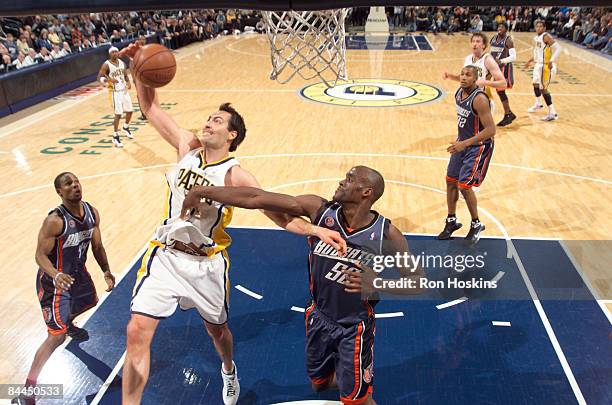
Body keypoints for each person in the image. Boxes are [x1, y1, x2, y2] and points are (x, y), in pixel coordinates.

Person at [117, 42, 346, 405]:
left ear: (232, 136)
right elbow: (149, 106)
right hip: (165, 255)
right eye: (208, 118)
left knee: (218, 331)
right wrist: (137, 66)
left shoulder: (235, 174)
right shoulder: (186, 148)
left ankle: (228, 369)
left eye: (217, 121)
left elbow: (279, 215)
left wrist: (315, 229)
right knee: (136, 331)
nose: (208, 123)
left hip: (207, 264)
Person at [180, 166, 426, 405]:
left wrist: (378, 283)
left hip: (354, 326)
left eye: (350, 179)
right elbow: (258, 197)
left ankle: (357, 385)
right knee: (318, 384)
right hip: (318, 317)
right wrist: (204, 191)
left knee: (357, 401)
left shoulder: (387, 234)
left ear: (366, 192)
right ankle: (351, 378)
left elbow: (418, 283)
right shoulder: (319, 210)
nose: (342, 181)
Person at [12, 172, 115, 405]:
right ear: (60, 192)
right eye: (68, 184)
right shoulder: (55, 221)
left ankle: (66, 323)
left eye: (77, 181)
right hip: (54, 283)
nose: (75, 186)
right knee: (55, 337)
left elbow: (97, 245)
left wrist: (106, 270)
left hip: (77, 275)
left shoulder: (91, 212)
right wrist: (56, 274)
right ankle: (27, 392)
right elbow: (39, 255)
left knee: (91, 302)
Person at [438, 65, 496, 243]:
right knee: (450, 181)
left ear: (475, 79)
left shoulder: (479, 99)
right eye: (462, 74)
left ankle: (476, 224)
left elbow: (491, 130)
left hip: (479, 146)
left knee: (464, 186)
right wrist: (461, 142)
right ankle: (451, 221)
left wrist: (465, 143)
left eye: (468, 75)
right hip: (462, 143)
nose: (463, 78)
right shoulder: (458, 93)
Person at [443, 33, 507, 115]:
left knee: (484, 127)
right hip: (467, 100)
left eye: (478, 41)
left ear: (483, 45)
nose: (475, 44)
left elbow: (503, 84)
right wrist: (450, 76)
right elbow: (464, 78)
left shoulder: (488, 60)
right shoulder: (468, 59)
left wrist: (484, 82)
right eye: (473, 41)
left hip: (482, 101)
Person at [96, 46, 134, 147]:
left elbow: (125, 75)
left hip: (124, 90)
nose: (115, 53)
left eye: (116, 52)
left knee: (130, 111)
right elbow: (99, 77)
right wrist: (108, 80)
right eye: (113, 52)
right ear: (110, 54)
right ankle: (115, 136)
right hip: (115, 92)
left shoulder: (122, 63)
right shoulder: (106, 64)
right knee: (118, 114)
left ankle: (125, 127)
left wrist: (129, 82)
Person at [525, 20, 562, 121]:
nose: (539, 28)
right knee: (535, 84)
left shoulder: (546, 36)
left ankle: (553, 113)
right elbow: (538, 52)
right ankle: (538, 103)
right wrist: (530, 61)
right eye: (537, 26)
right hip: (538, 65)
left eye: (541, 26)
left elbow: (559, 48)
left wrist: (552, 60)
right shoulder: (536, 38)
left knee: (543, 89)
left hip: (545, 66)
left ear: (544, 28)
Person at [489, 22, 517, 126]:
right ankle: (509, 113)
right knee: (499, 91)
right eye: (499, 26)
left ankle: (508, 114)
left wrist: (501, 61)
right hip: (494, 67)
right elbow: (492, 52)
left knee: (500, 91)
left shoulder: (508, 40)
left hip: (504, 68)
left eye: (502, 27)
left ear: (506, 29)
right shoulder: (493, 38)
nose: (499, 28)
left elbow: (514, 57)